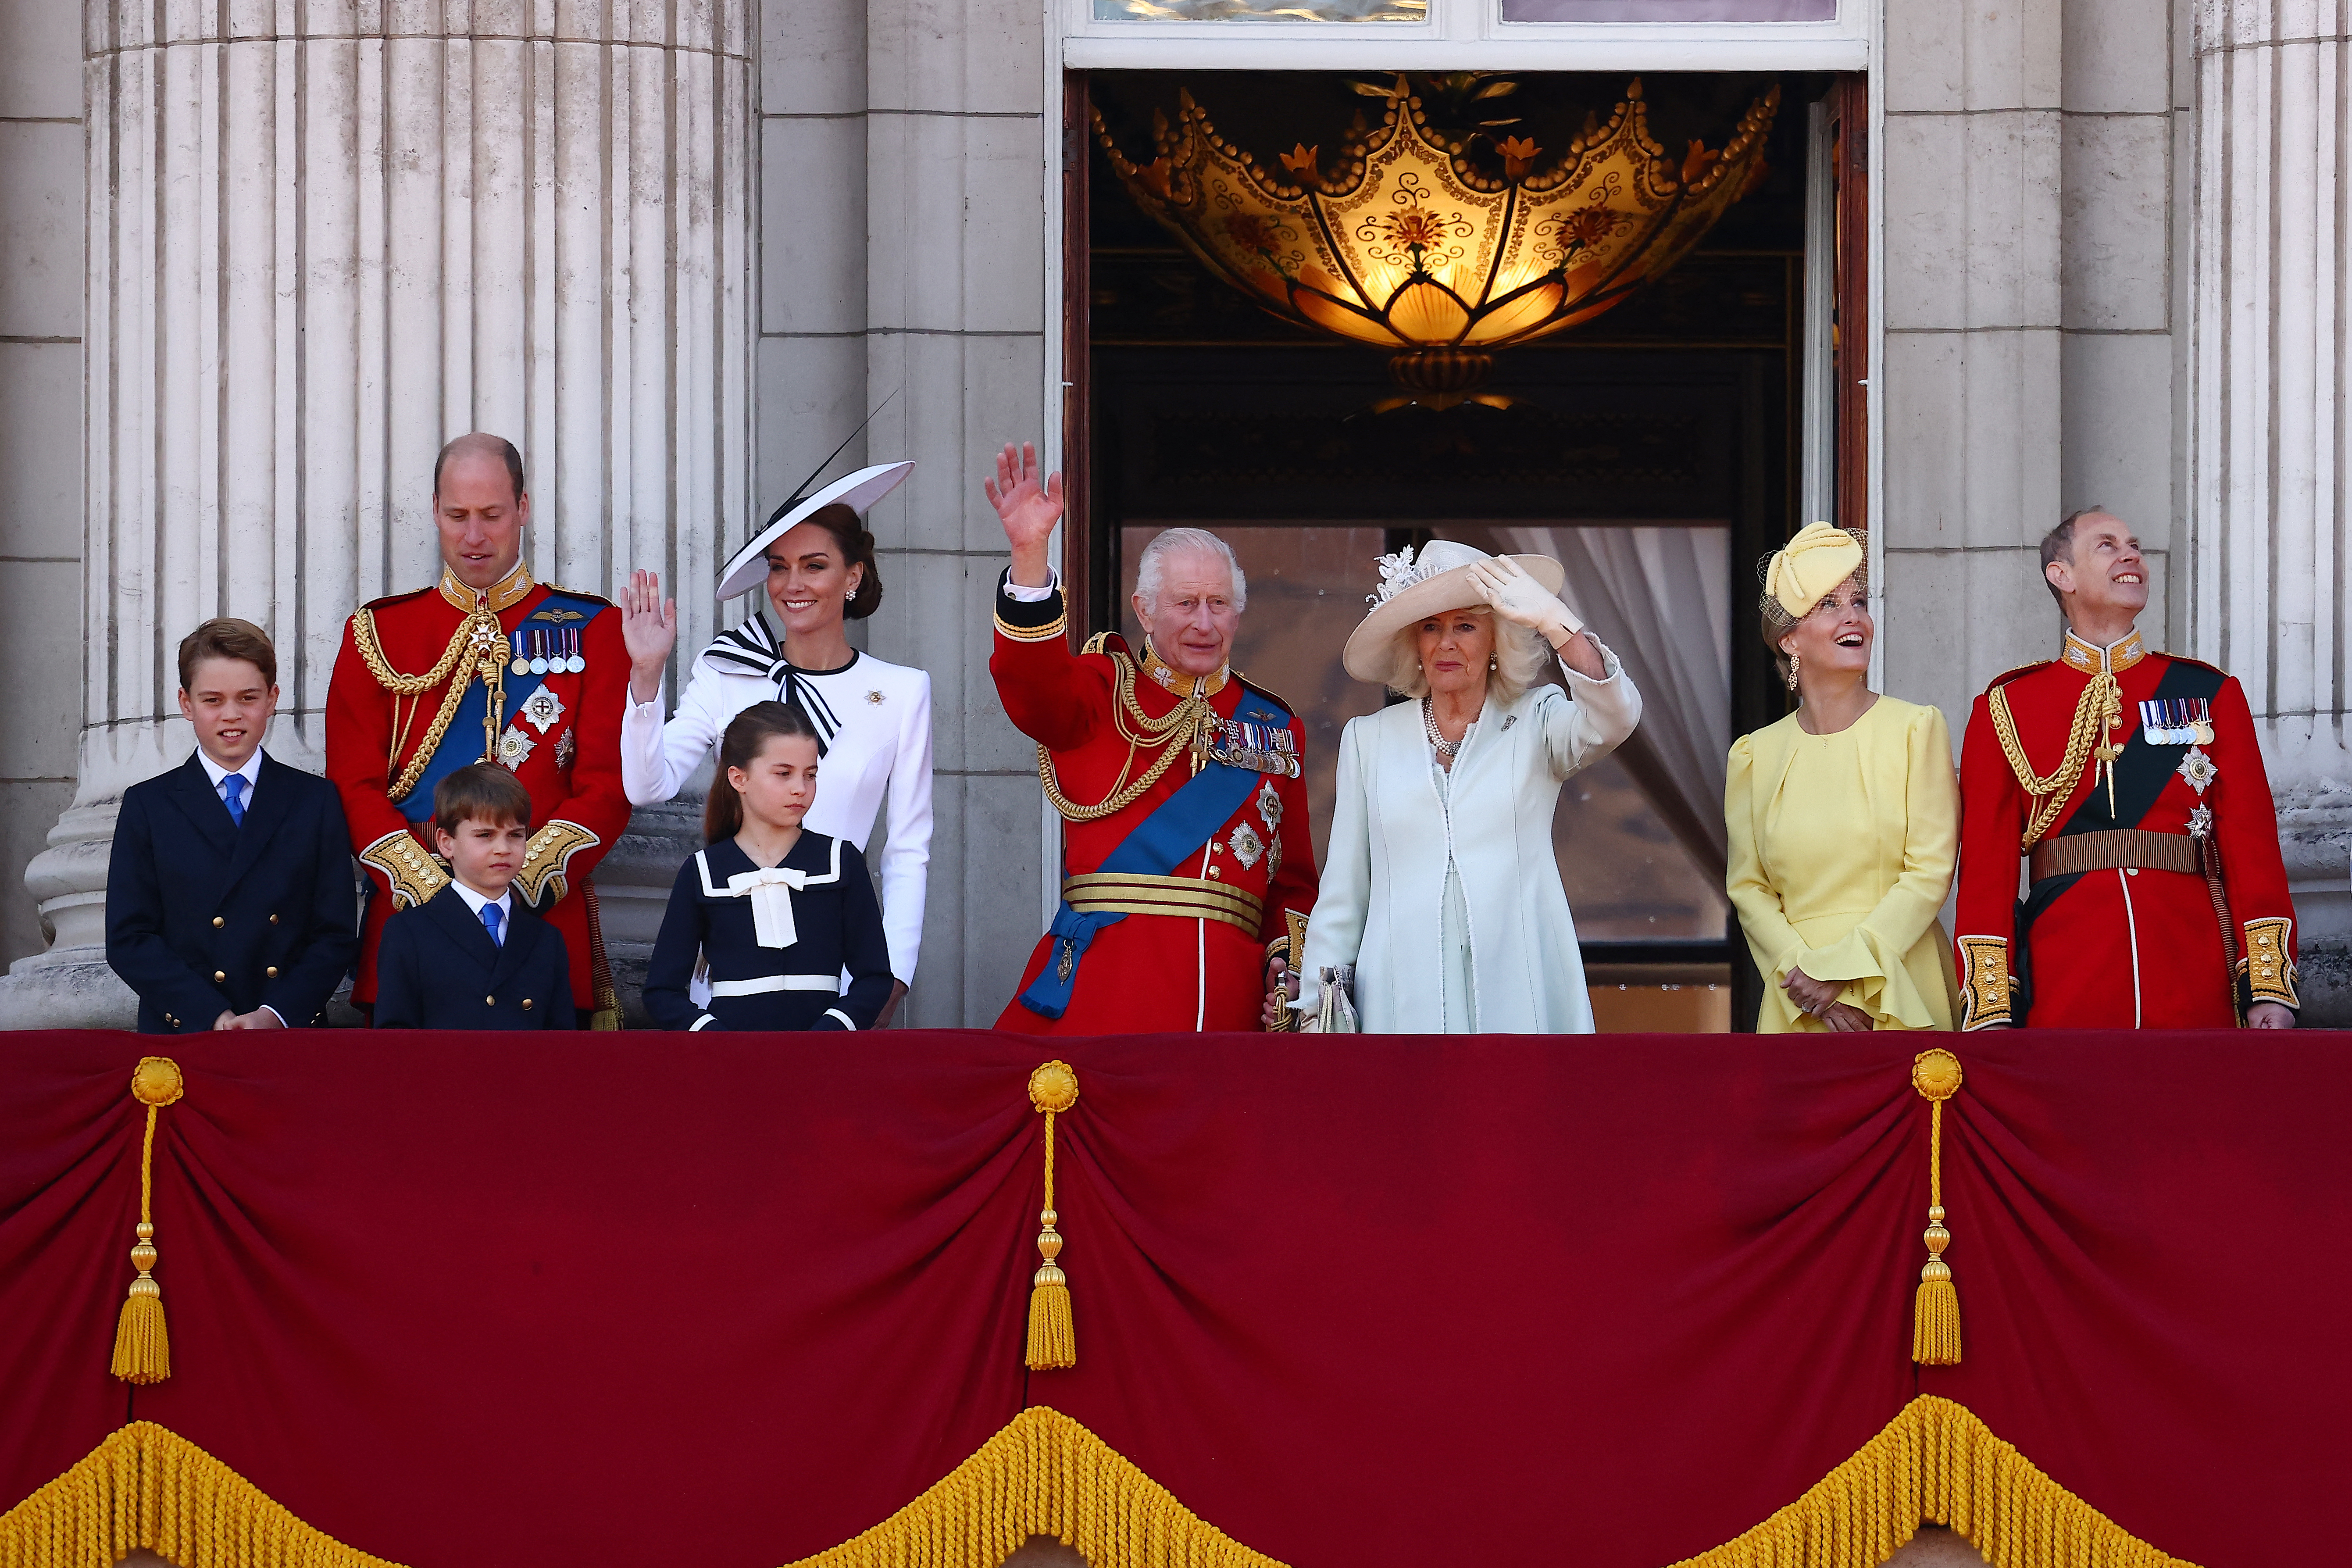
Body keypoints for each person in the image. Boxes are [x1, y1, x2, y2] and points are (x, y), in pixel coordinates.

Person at [985, 442, 1318, 1034]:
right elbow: (1030, 684)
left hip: (1229, 1006)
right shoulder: (1098, 689)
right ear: (1142, 609)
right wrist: (1030, 554)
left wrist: (1285, 969)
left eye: (1219, 603)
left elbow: (1291, 882)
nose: (1204, 622)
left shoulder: (1273, 727)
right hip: (1104, 997)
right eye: (1185, 602)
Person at [325, 433, 635, 1027]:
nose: (473, 536)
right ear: (435, 509)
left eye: (491, 515)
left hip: (542, 923)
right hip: (411, 925)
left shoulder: (594, 628)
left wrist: (519, 878)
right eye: (457, 515)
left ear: (522, 507)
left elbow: (608, 784)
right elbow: (350, 783)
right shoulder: (380, 632)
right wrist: (431, 890)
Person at [1953, 508, 2299, 1029]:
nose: (2130, 554)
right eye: (2107, 545)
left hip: (2192, 969)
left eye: (2133, 544)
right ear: (2060, 575)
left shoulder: (2207, 692)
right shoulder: (2007, 706)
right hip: (2067, 980)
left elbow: (2252, 847)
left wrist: (2267, 989)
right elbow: (1985, 871)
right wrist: (1991, 1007)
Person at [618, 461, 930, 1025]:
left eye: (815, 566)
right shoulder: (726, 670)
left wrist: (892, 977)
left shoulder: (903, 691)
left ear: (853, 575)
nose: (793, 585)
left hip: (841, 979)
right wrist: (646, 677)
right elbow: (647, 785)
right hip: (731, 979)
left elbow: (907, 847)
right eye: (779, 567)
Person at [1288, 540, 1641, 1033]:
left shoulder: (1537, 720)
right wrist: (1315, 1009)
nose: (1445, 643)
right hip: (1399, 1000)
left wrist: (1555, 622)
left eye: (1465, 626)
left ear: (1497, 638)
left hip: (1521, 993)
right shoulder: (1368, 740)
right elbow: (1344, 892)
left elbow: (1615, 716)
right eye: (1430, 627)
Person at [1724, 524, 1959, 1033]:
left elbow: (1930, 871)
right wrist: (1807, 981)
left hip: (1897, 979)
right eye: (1828, 603)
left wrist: (1839, 970)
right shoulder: (1752, 756)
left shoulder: (1915, 728)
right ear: (1789, 639)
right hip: (1796, 998)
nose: (1854, 615)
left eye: (1858, 600)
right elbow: (1748, 889)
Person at [105, 619, 360, 1033]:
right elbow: (129, 937)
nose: (231, 715)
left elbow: (334, 934)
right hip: (186, 1032)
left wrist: (275, 1015)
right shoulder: (148, 805)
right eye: (213, 700)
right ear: (186, 704)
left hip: (289, 1033)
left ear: (272, 698)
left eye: (247, 697)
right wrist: (211, 1014)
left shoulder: (315, 801)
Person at [643, 702, 894, 1031]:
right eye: (783, 773)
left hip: (825, 1064)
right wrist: (716, 1038)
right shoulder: (703, 871)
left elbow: (875, 977)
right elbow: (661, 991)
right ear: (739, 778)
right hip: (734, 1066)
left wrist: (830, 1033)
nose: (800, 789)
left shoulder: (840, 861)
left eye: (810, 774)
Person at [373, 764, 575, 1029]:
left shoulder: (546, 939)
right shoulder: (409, 932)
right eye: (485, 836)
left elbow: (560, 1043)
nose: (503, 849)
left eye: (515, 835)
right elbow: (395, 1037)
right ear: (447, 843)